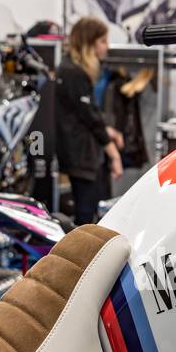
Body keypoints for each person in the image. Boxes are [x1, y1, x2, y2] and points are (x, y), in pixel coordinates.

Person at [55, 16, 123, 225]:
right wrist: (114, 155)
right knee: (86, 218)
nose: (107, 47)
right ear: (88, 42)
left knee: (91, 213)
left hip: (82, 154)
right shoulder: (72, 72)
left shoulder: (71, 69)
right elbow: (90, 118)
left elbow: (86, 112)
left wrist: (109, 131)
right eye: (102, 41)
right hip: (81, 156)